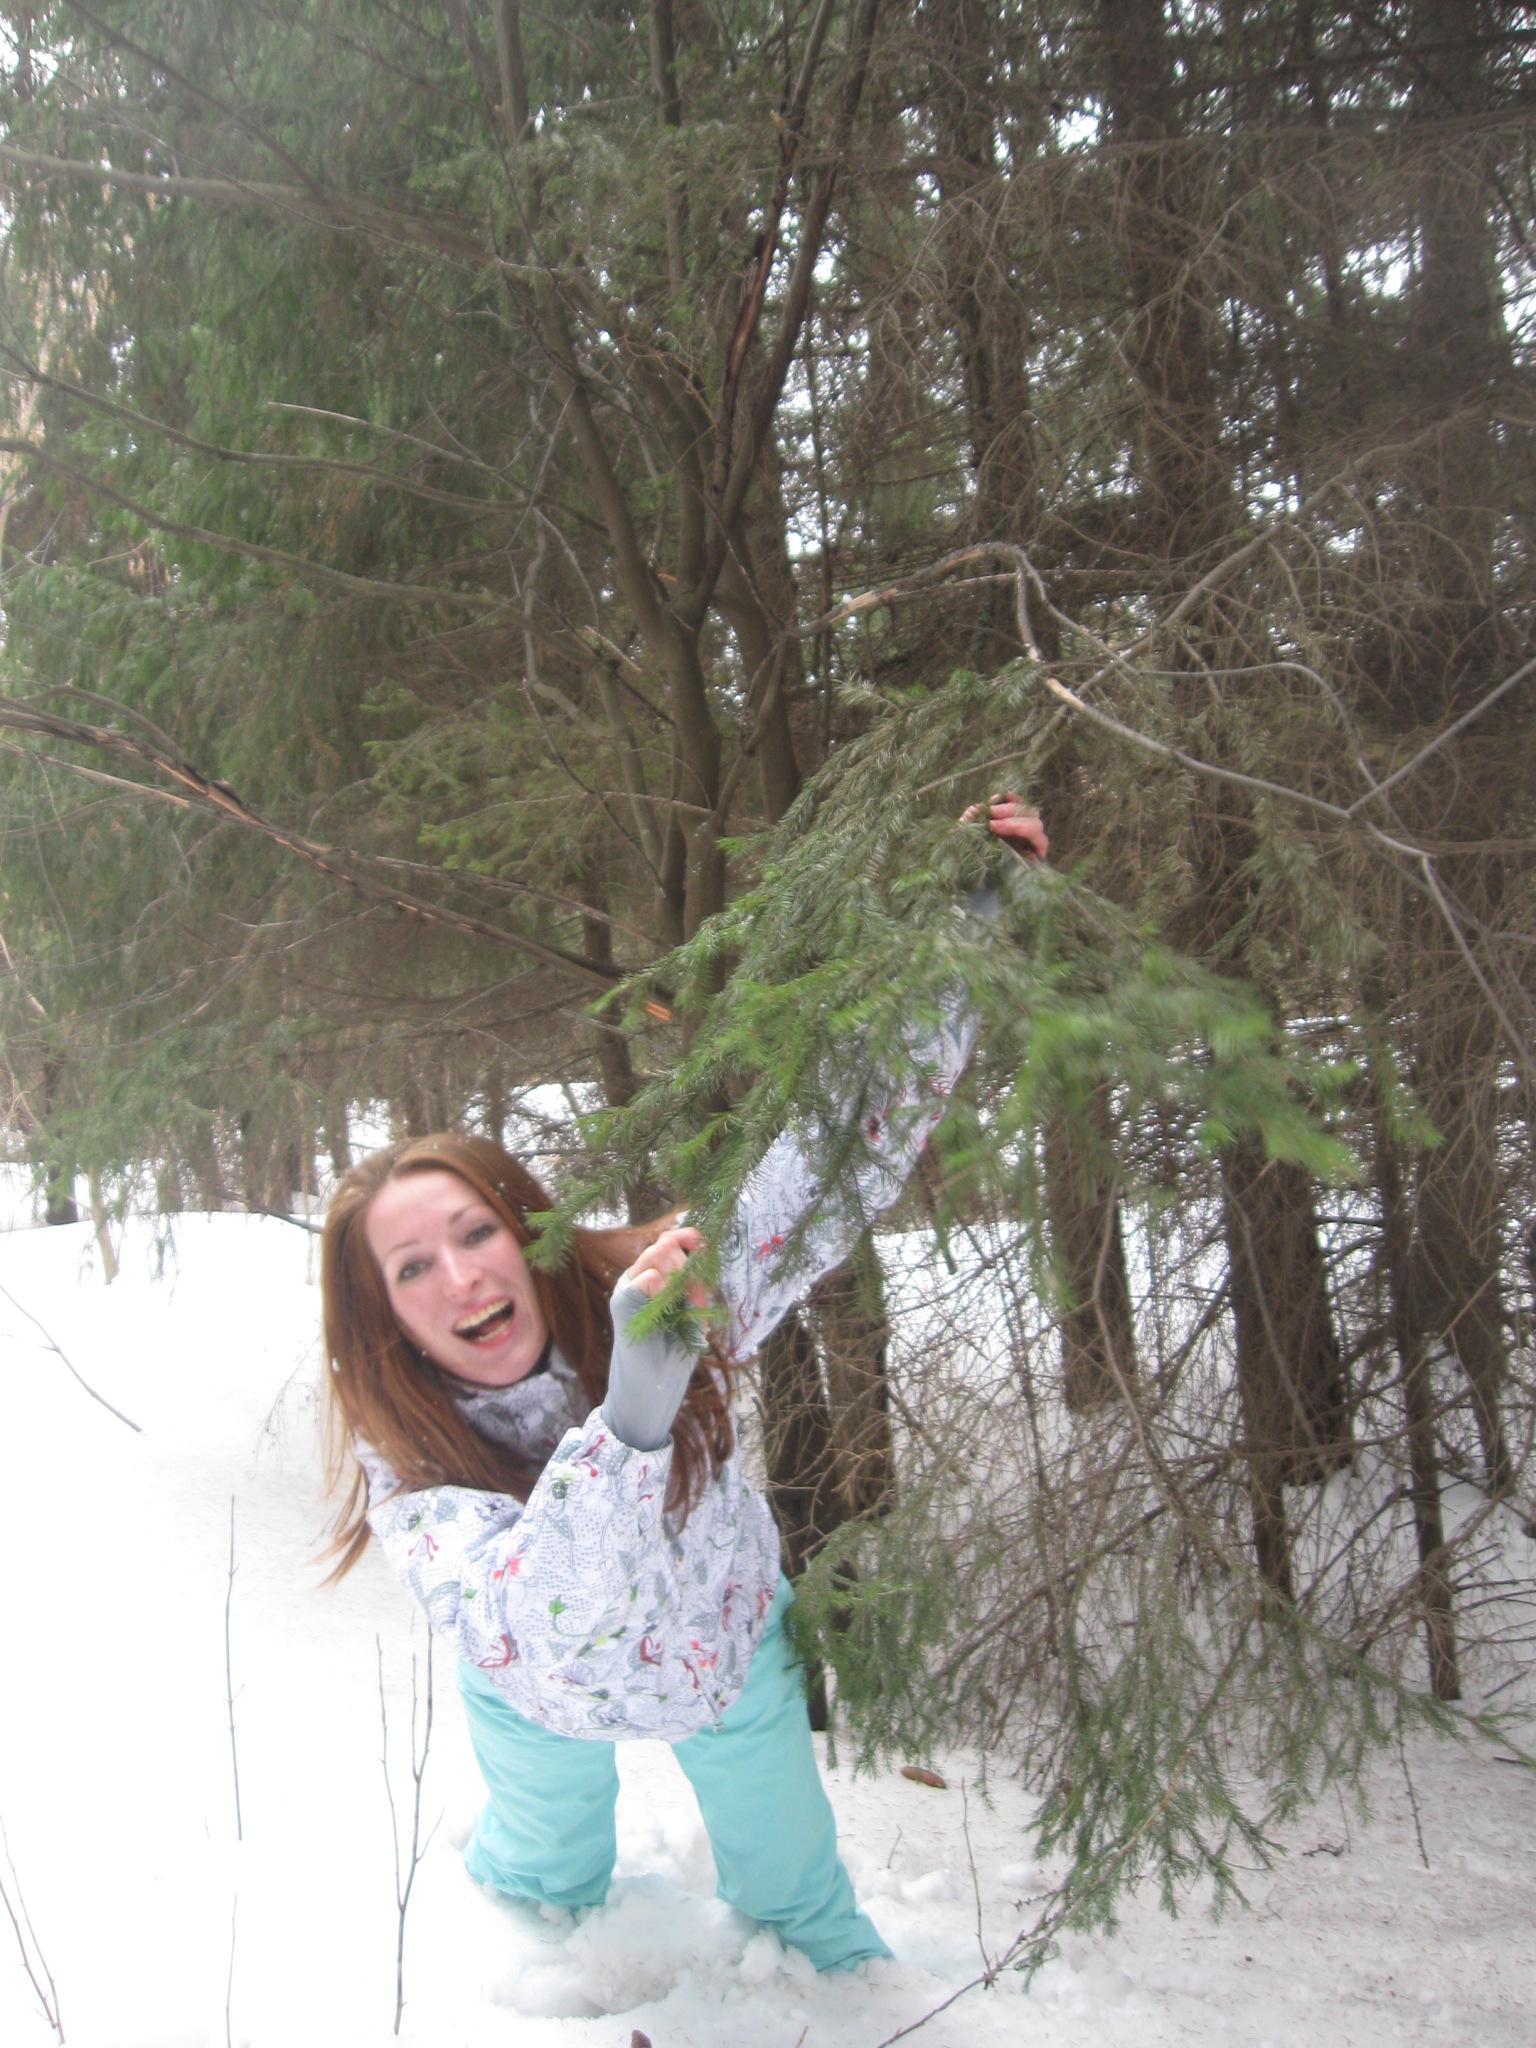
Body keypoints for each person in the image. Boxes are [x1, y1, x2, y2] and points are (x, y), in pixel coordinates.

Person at [320, 797, 1047, 1972]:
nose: (460, 1277)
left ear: (529, 1227)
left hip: (721, 1639)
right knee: (537, 1889)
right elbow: (537, 1617)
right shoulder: (407, 1459)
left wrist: (962, 923)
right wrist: (631, 1424)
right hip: (538, 1694)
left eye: (476, 1231)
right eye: (411, 1267)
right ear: (384, 1316)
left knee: (805, 1903)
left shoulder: (665, 1293)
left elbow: (834, 1153)